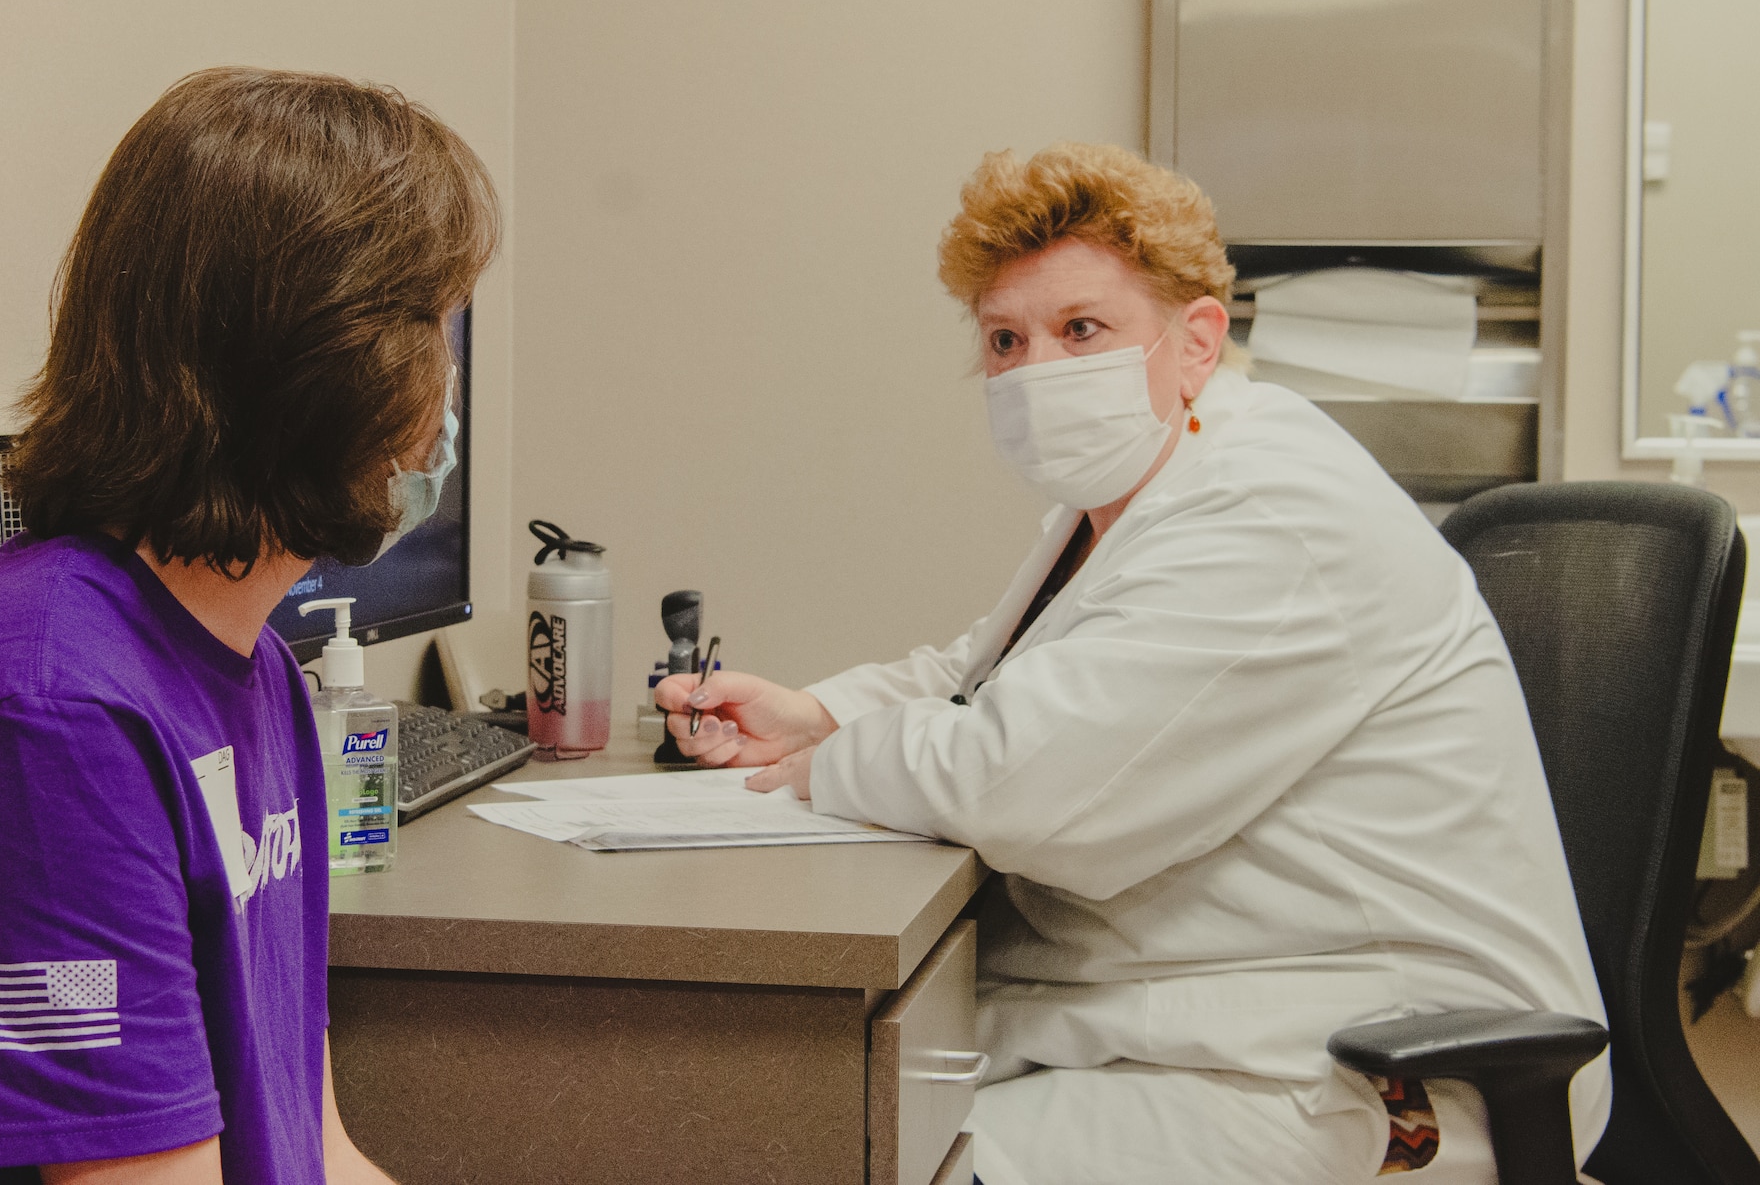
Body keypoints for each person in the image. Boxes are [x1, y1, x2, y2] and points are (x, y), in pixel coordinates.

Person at [657, 144, 1609, 1184]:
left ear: (1195, 340)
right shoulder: (1130, 499)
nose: (1035, 372)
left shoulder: (1270, 509)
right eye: (1004, 341)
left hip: (1367, 1067)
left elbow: (1031, 789)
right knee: (804, 1109)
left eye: (1081, 331)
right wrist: (816, 714)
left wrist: (826, 771)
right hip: (1208, 1016)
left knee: (880, 1157)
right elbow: (984, 678)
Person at [0, 67, 497, 1183]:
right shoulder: (42, 717)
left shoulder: (249, 663)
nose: (442, 390)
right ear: (315, 374)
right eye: (426, 330)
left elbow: (317, 1150)